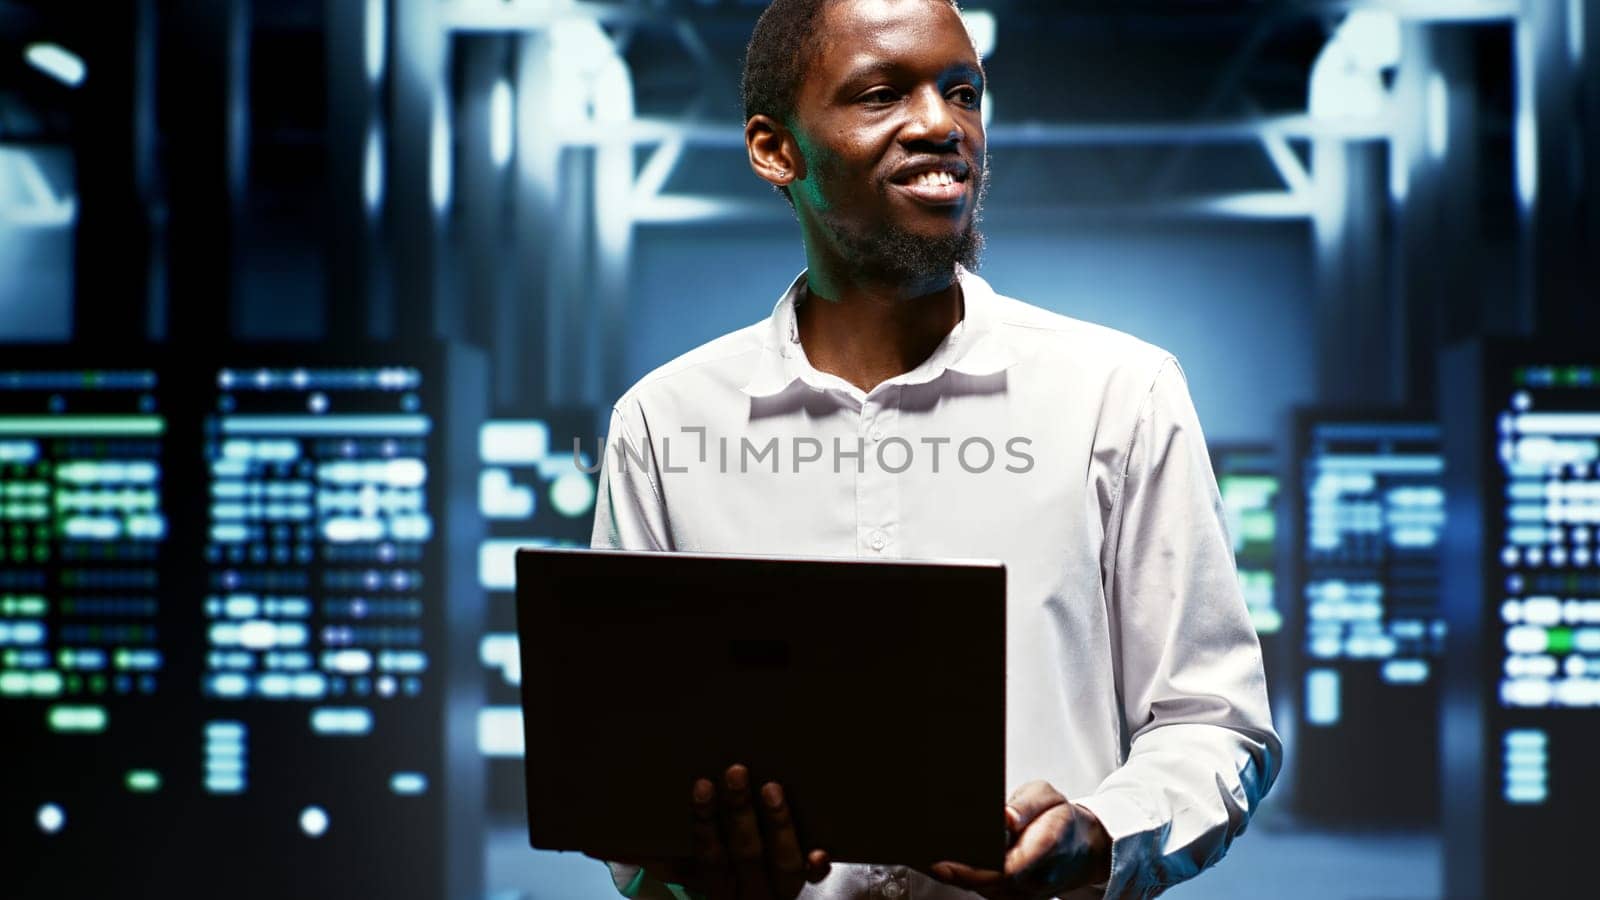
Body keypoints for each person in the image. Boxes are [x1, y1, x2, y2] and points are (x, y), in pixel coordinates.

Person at [589, 0, 1281, 897]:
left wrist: (1101, 833)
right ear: (775, 149)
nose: (940, 124)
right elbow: (626, 782)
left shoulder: (1120, 394)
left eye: (963, 92)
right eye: (881, 94)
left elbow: (1214, 720)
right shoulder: (663, 423)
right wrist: (692, 873)